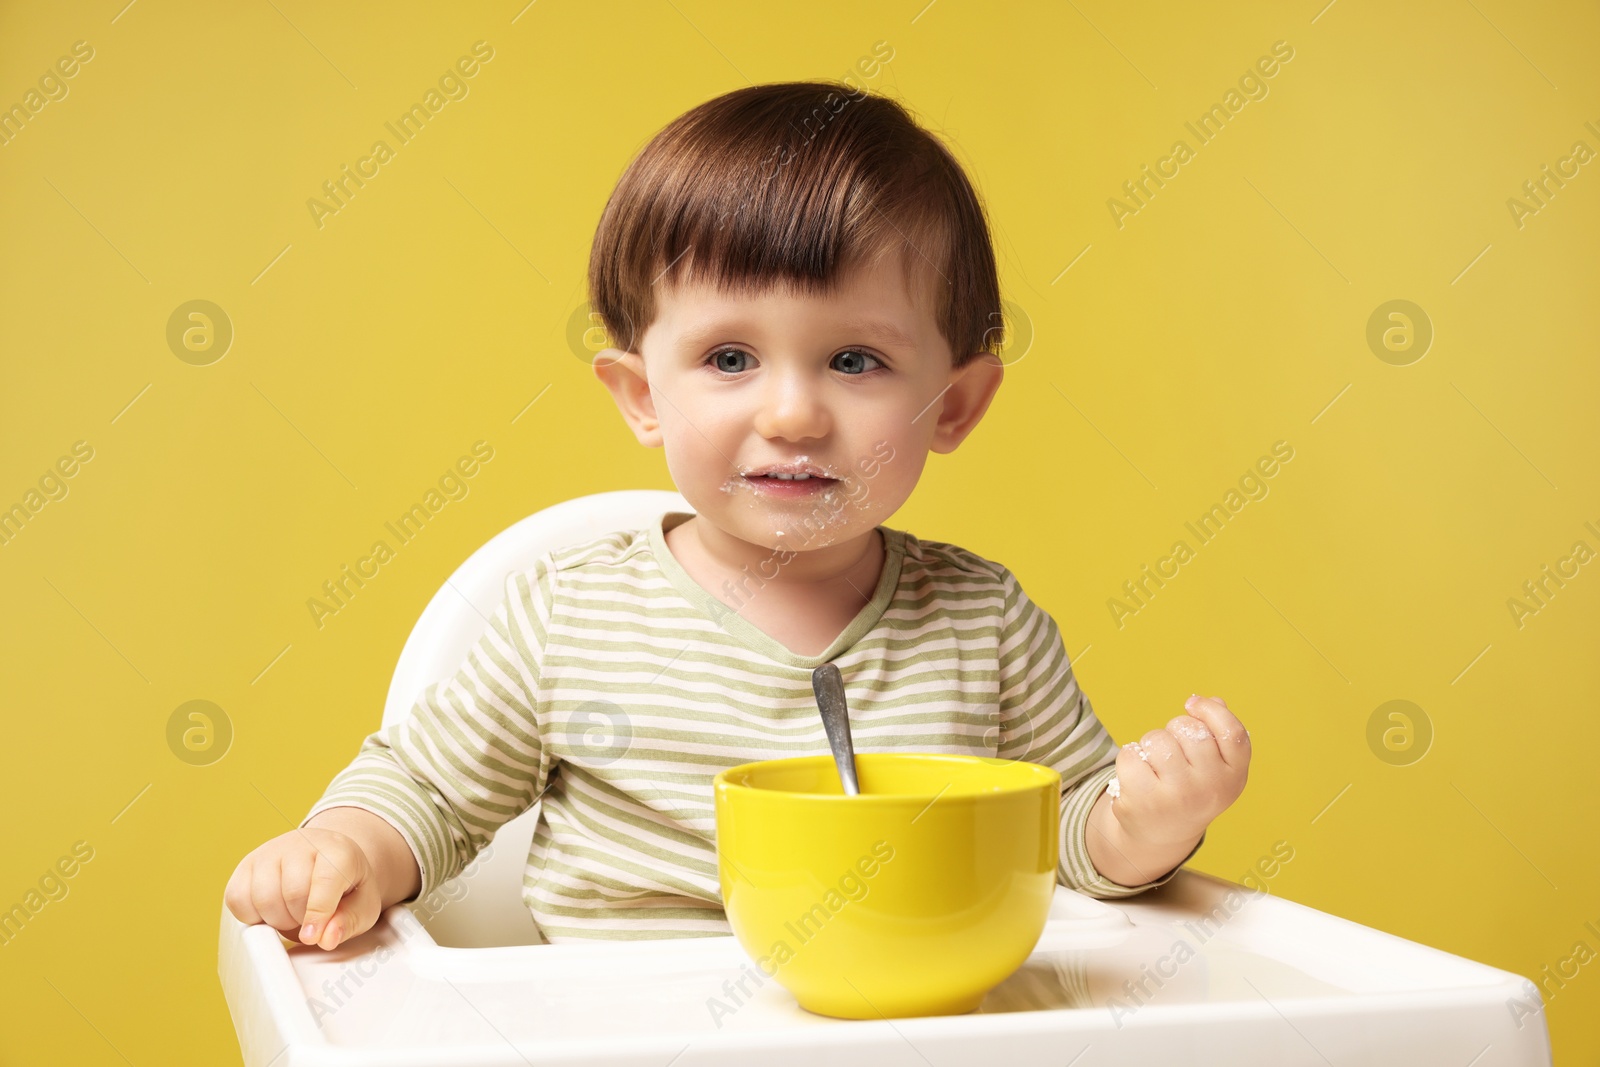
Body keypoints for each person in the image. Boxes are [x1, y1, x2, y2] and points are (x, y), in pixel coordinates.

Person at [225, 80, 1250, 951]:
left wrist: (1142, 822)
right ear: (639, 396)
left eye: (855, 359)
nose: (792, 412)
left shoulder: (985, 626)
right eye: (728, 358)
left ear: (953, 405)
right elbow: (433, 794)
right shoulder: (567, 616)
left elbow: (1064, 835)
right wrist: (349, 846)